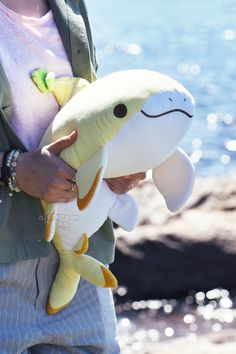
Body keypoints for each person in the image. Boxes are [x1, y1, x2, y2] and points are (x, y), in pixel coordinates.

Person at [0, 0, 146, 353]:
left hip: (80, 257)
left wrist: (117, 165)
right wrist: (14, 168)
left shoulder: (71, 7)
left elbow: (90, 110)